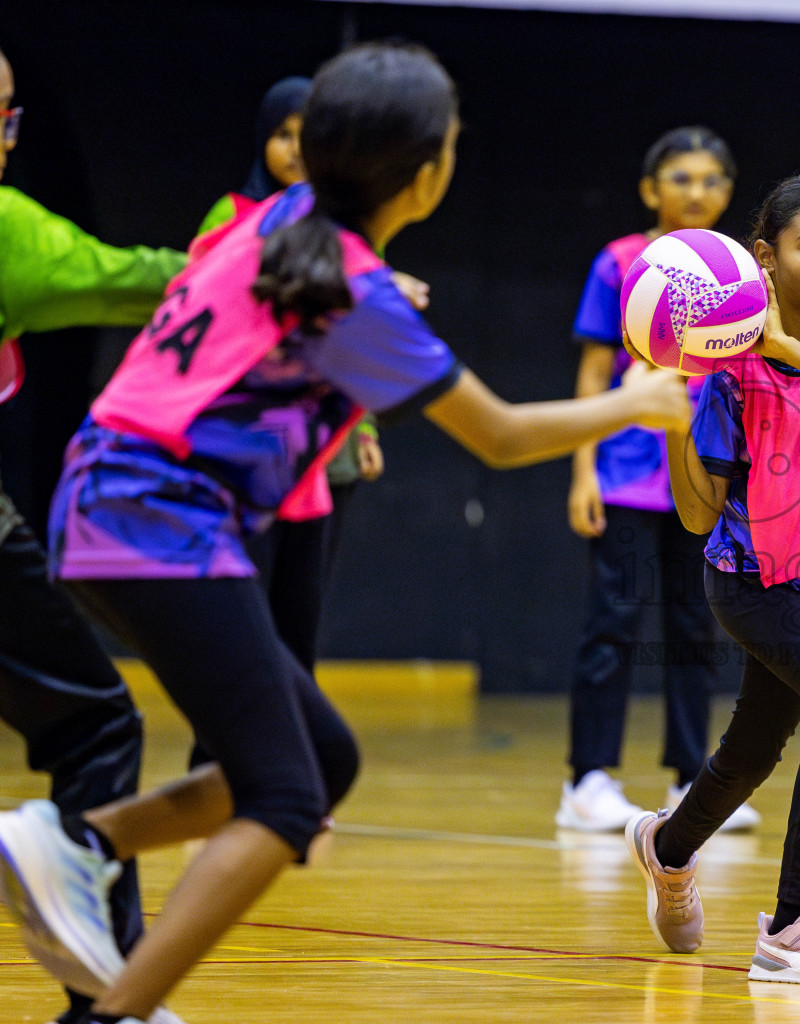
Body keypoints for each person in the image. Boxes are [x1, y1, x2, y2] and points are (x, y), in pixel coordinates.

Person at [0, 41, 690, 1024]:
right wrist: (640, 401)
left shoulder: (277, 224)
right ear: (428, 172)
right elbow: (497, 435)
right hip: (158, 521)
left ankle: (82, 842)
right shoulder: (354, 290)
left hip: (102, 498)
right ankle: (115, 1006)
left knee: (322, 761)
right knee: (283, 799)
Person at [623, 171, 800, 985]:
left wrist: (787, 348)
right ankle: (791, 927)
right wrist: (678, 415)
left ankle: (667, 845)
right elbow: (695, 516)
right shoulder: (728, 376)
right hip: (749, 581)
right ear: (764, 257)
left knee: (751, 750)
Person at [0, 45, 188, 1024]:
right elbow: (139, 280)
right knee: (99, 724)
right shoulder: (4, 226)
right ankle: (112, 993)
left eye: (8, 113)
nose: (4, 136)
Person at [560, 126, 758, 833]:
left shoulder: (737, 274)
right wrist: (582, 468)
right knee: (613, 623)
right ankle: (587, 780)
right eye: (680, 177)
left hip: (700, 482)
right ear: (650, 190)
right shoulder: (618, 264)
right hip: (621, 476)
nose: (696, 191)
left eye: (710, 180)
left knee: (695, 626)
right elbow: (591, 374)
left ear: (728, 191)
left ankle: (688, 782)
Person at [195, 75, 388, 674]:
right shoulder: (231, 215)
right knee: (239, 611)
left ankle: (290, 741)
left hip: (327, 451)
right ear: (262, 141)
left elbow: (366, 341)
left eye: (311, 138)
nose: (297, 151)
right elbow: (194, 313)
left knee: (300, 609)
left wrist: (367, 430)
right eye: (283, 135)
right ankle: (226, 749)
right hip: (245, 440)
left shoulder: (350, 232)